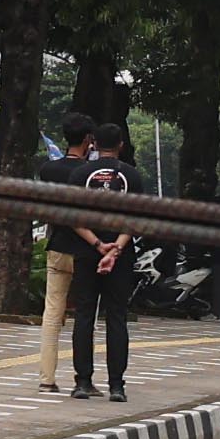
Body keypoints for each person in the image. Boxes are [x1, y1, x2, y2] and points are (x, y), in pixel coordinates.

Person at [53, 113, 137, 401]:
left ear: (94, 144)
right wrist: (116, 248)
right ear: (121, 145)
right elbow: (138, 219)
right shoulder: (131, 175)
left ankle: (82, 381)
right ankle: (117, 386)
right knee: (117, 317)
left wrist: (98, 244)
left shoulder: (79, 175)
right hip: (121, 257)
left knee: (84, 316)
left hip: (86, 253)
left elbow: (72, 218)